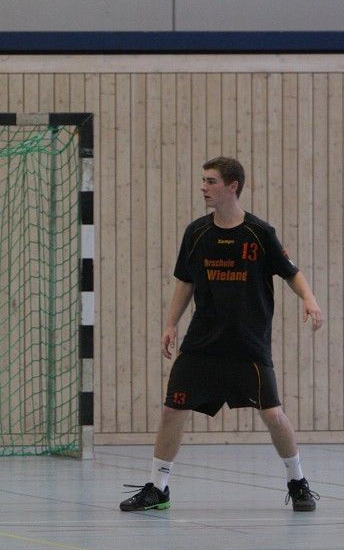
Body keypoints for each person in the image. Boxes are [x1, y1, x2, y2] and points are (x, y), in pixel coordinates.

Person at [120, 157, 324, 513]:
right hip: (201, 343)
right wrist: (171, 324)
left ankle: (298, 482)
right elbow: (186, 281)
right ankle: (158, 487)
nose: (203, 187)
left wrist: (309, 299)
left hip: (247, 343)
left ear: (232, 187)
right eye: (203, 180)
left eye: (211, 181)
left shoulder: (259, 233)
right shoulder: (197, 232)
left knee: (273, 415)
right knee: (172, 410)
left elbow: (291, 272)